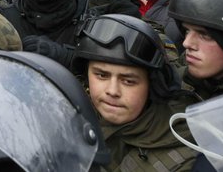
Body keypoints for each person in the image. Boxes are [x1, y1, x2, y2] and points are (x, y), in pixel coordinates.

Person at [73, 14, 196, 171]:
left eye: (128, 81)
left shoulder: (182, 159)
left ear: (152, 85)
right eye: (102, 75)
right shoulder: (73, 118)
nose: (112, 91)